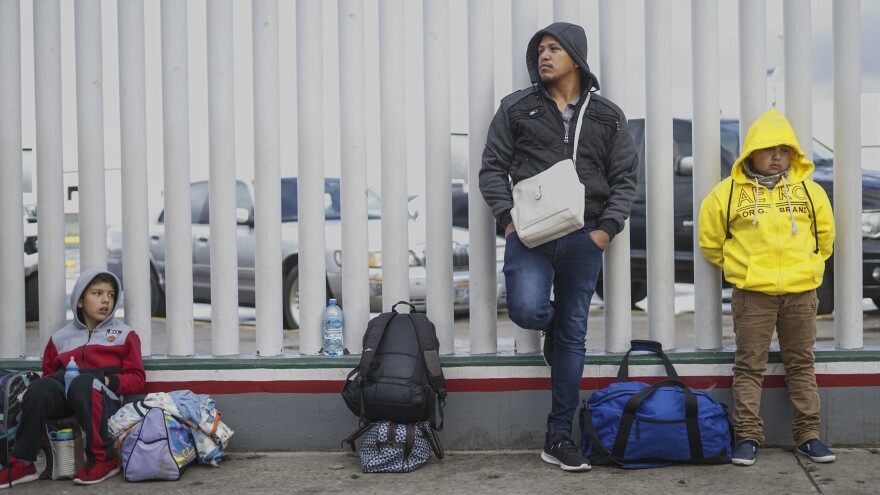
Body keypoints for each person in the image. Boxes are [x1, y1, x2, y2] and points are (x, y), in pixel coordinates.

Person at [480, 22, 639, 472]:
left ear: (576, 57)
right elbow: (492, 169)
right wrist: (509, 223)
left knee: (573, 337)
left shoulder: (608, 115)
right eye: (540, 50)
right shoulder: (516, 108)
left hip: (585, 236)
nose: (543, 56)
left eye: (554, 49)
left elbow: (625, 178)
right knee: (528, 311)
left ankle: (558, 436)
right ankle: (548, 328)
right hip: (530, 235)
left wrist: (605, 230)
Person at [698, 109, 836, 466]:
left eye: (785, 150)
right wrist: (740, 269)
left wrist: (808, 267)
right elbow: (711, 242)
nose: (777, 157)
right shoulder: (725, 194)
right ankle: (747, 437)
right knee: (749, 366)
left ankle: (809, 436)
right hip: (752, 294)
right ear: (750, 153)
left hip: (800, 293)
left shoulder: (810, 191)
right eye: (769, 149)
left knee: (802, 364)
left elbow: (825, 238)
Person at [0, 269, 146, 488]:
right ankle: (23, 461)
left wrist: (108, 381)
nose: (106, 300)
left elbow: (137, 378)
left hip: (103, 402)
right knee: (40, 387)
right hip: (67, 401)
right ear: (80, 301)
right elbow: (49, 376)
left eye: (111, 294)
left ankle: (104, 459)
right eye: (97, 293)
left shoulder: (125, 336)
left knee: (83, 382)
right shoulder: (60, 339)